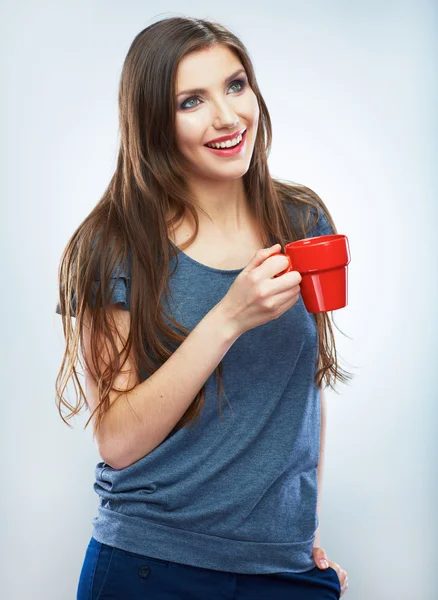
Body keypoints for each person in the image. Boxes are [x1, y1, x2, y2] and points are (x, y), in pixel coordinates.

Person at [55, 16, 352, 600]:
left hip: (283, 570)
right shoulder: (112, 244)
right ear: (153, 122)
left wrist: (300, 534)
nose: (227, 116)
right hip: (149, 566)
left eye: (235, 85)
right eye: (192, 101)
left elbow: (303, 392)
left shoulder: (301, 222)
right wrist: (228, 317)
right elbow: (116, 439)